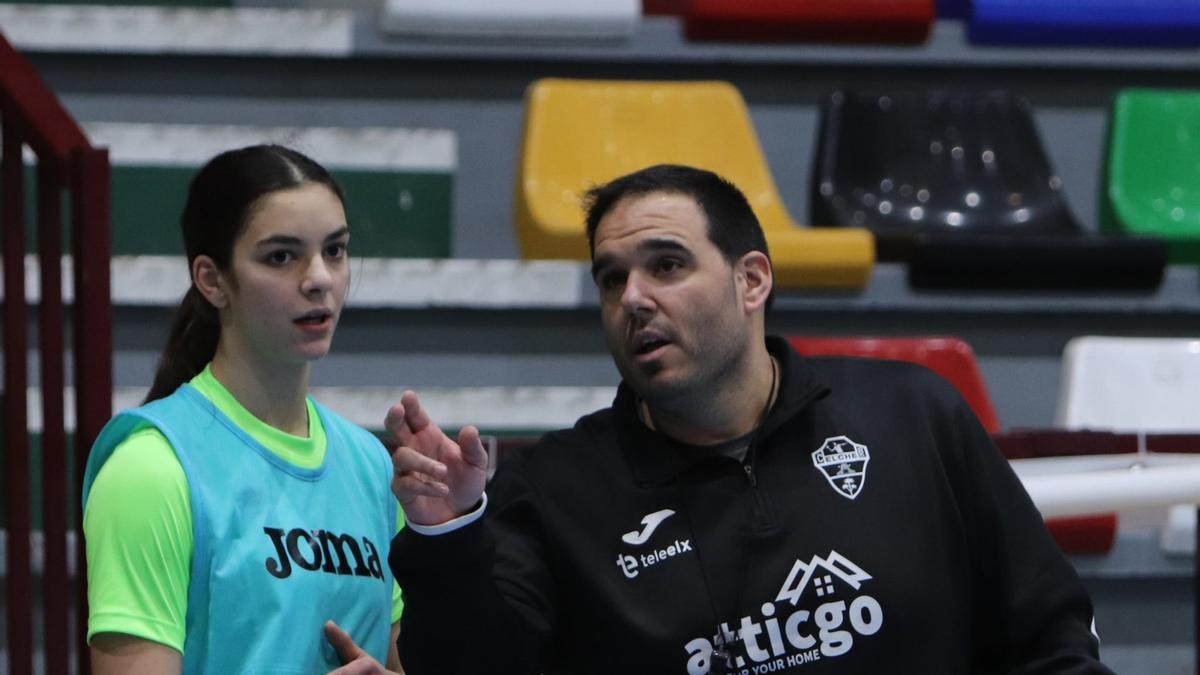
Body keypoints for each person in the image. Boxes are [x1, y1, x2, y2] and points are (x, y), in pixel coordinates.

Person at [338, 163, 1114, 674]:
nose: (633, 298)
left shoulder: (913, 416)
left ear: (752, 280)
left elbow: (1048, 634)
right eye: (611, 279)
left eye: (666, 265)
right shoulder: (553, 491)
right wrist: (448, 537)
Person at [82, 145, 404, 675]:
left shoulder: (371, 468)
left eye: (335, 250)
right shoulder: (150, 470)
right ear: (212, 280)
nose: (319, 278)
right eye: (281, 257)